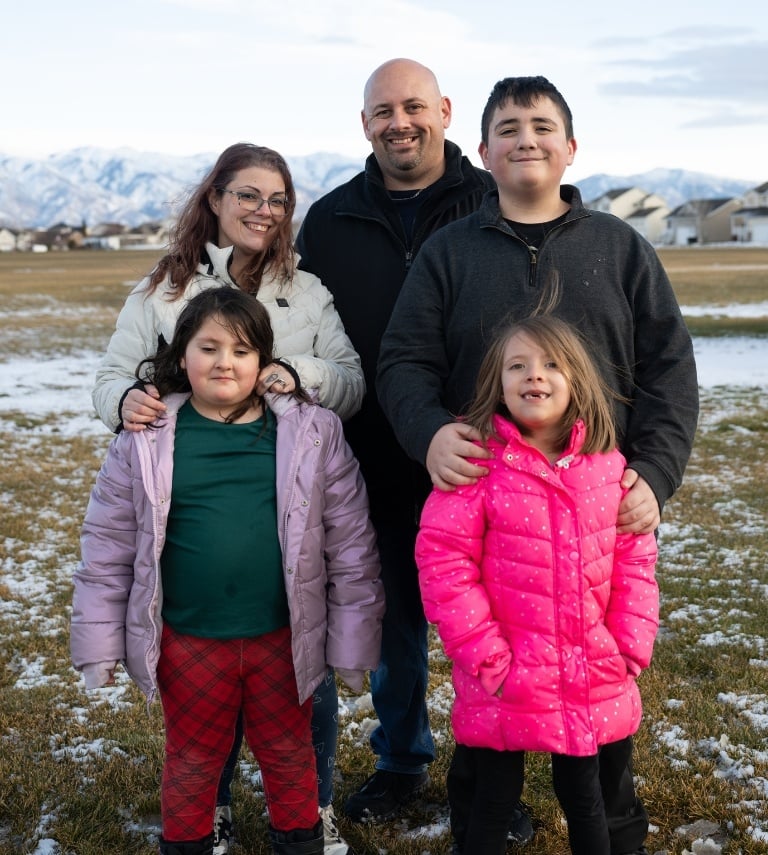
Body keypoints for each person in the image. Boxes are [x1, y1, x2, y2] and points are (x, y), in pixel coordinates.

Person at [377, 76, 699, 854]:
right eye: (509, 127)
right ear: (482, 152)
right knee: (492, 714)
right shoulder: (452, 252)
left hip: (595, 516)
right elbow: (404, 358)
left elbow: (670, 370)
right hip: (496, 527)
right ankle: (485, 817)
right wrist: (429, 435)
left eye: (543, 124)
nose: (526, 137)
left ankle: (607, 819)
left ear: (571, 147)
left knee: (597, 727)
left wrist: (653, 475)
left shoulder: (620, 247)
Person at [91, 142, 364, 855]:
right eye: (247, 195)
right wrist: (129, 401)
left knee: (301, 690)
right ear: (214, 198)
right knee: (202, 700)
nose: (262, 211)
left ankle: (314, 806)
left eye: (276, 199)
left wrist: (291, 372)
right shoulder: (164, 289)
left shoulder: (305, 292)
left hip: (284, 498)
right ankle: (204, 810)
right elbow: (111, 379)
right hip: (189, 485)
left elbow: (349, 378)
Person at [295, 58, 541, 840]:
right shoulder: (331, 219)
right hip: (371, 454)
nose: (398, 122)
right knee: (395, 623)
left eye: (412, 107)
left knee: (498, 626)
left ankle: (495, 779)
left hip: (485, 457)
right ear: (363, 124)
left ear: (443, 110)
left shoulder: (488, 199)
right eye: (381, 111)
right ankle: (402, 758)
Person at [416, 315, 659, 854]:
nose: (535, 376)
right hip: (506, 674)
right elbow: (444, 567)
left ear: (577, 380)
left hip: (588, 670)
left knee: (586, 797)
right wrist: (489, 660)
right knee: (492, 800)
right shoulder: (477, 466)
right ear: (497, 384)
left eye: (552, 364)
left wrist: (627, 649)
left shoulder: (606, 467)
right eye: (518, 365)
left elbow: (635, 564)